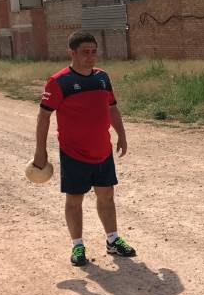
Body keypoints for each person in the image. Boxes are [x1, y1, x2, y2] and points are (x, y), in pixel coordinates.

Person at [33, 30, 136, 266]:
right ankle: (77, 246)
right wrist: (41, 151)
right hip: (74, 153)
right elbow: (43, 117)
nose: (90, 57)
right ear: (72, 53)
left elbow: (112, 108)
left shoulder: (102, 77)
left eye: (93, 52)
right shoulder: (59, 82)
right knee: (74, 199)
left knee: (107, 196)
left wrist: (121, 133)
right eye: (85, 52)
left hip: (102, 150)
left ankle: (113, 240)